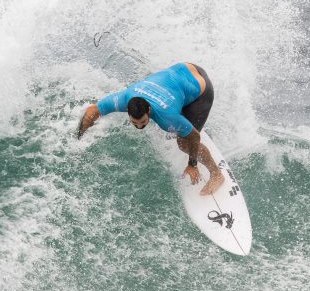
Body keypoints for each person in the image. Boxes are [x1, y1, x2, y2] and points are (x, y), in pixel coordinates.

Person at [76, 62, 225, 195]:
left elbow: (194, 137)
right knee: (177, 125)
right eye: (135, 123)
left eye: (143, 122)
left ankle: (217, 174)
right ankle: (183, 117)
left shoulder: (166, 117)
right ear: (127, 110)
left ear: (149, 110)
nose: (139, 127)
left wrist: (192, 164)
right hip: (184, 69)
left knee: (184, 142)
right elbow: (92, 111)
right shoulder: (124, 98)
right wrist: (79, 138)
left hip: (201, 89)